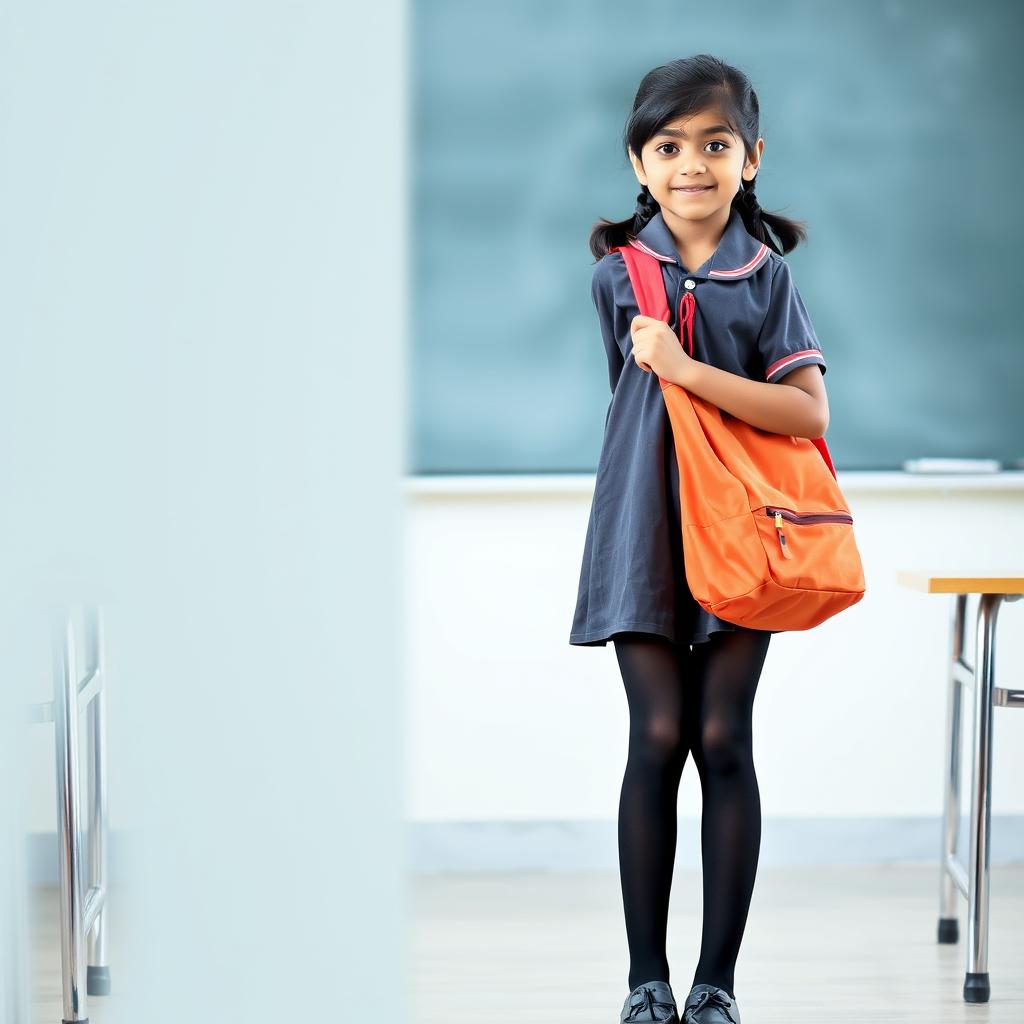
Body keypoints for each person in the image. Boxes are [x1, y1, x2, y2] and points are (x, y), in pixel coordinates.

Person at [569, 55, 830, 1024]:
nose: (692, 164)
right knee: (658, 734)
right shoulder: (613, 277)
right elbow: (633, 412)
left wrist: (684, 364)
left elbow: (806, 413)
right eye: (669, 146)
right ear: (638, 163)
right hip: (641, 528)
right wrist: (665, 370)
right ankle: (647, 980)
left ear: (750, 158)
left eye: (714, 144)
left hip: (745, 536)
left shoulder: (767, 279)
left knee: (723, 737)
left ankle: (714, 984)